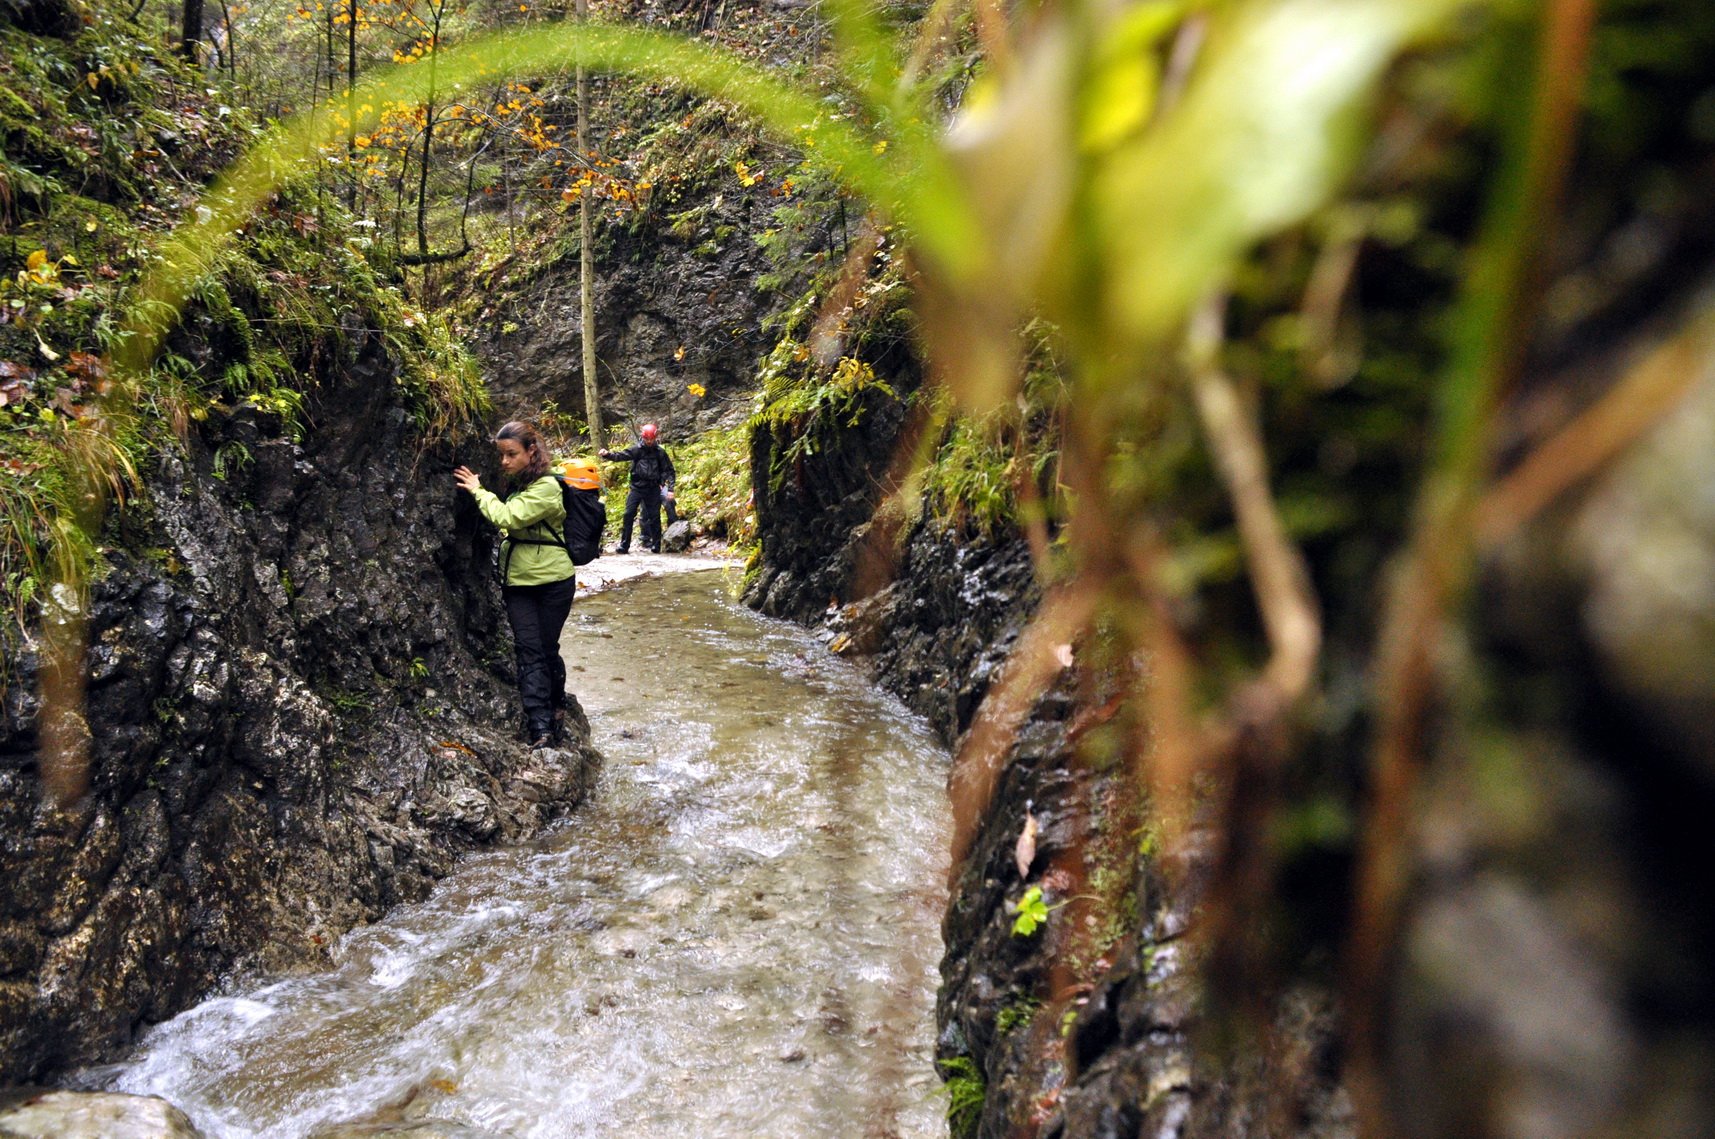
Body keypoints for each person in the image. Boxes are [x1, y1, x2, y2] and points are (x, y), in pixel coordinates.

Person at [454, 421, 574, 749]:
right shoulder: (519, 482)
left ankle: (557, 701)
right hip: (518, 582)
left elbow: (508, 518)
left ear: (531, 451)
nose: (504, 462)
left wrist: (478, 490)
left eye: (511, 454)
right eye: (502, 455)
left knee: (546, 648)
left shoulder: (547, 487)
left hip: (554, 583)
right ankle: (541, 727)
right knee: (529, 649)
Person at [599, 422, 677, 554]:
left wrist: (670, 489)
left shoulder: (660, 453)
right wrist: (607, 454)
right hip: (637, 488)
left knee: (654, 517)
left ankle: (656, 545)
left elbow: (670, 471)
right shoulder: (636, 450)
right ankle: (624, 545)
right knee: (628, 514)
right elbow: (620, 456)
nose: (649, 442)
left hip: (653, 489)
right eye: (647, 439)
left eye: (651, 439)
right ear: (643, 437)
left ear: (655, 438)